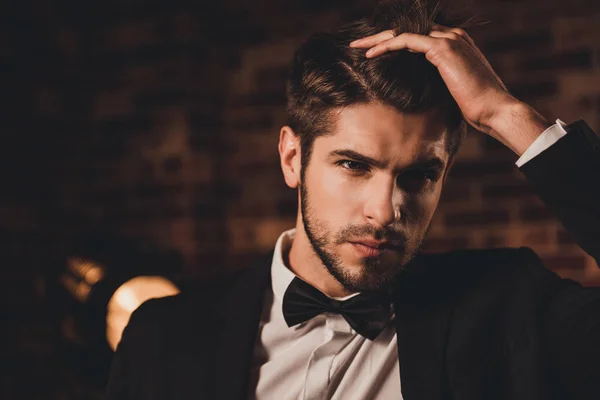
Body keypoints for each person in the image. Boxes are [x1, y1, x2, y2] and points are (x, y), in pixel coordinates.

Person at [104, 0, 600, 399]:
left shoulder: (510, 307)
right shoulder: (161, 338)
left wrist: (505, 114)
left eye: (420, 175)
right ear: (292, 157)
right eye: (354, 165)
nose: (385, 211)